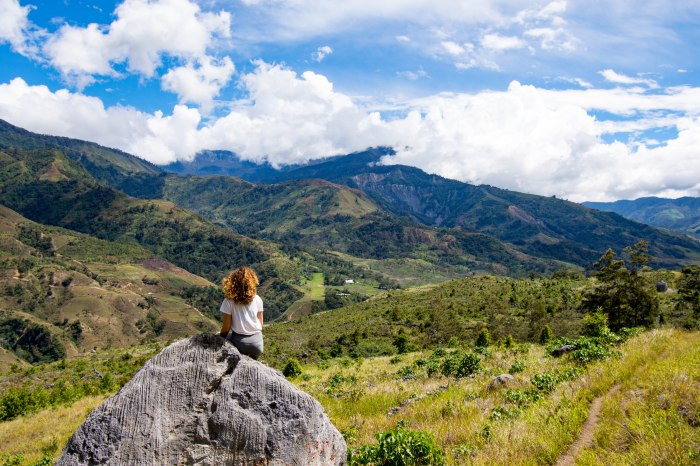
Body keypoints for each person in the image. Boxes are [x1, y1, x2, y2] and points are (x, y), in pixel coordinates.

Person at [218, 266, 264, 359]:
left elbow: (226, 328)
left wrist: (219, 338)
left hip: (240, 343)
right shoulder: (258, 299)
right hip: (257, 344)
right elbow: (261, 324)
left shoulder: (228, 301)